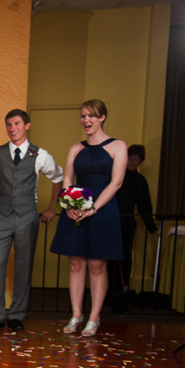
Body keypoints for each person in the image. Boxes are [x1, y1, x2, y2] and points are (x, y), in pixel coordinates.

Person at [0, 109, 64, 333]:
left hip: (27, 216)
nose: (13, 129)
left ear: (27, 126)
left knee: (24, 266)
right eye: (9, 125)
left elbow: (58, 177)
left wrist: (52, 207)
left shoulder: (40, 155)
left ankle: (17, 316)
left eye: (17, 124)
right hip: (0, 216)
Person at [49, 99, 127, 337]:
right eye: (83, 116)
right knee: (75, 264)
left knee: (96, 265)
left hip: (102, 211)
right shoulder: (76, 148)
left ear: (102, 117)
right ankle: (75, 315)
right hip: (75, 210)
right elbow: (67, 180)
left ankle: (93, 318)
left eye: (91, 116)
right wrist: (71, 205)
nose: (86, 120)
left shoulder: (118, 146)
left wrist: (93, 209)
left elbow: (117, 182)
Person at [107, 144, 159, 296]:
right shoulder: (115, 175)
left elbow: (144, 206)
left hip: (128, 223)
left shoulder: (140, 181)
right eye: (129, 158)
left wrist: (152, 227)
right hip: (110, 220)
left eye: (136, 159)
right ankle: (107, 291)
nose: (132, 161)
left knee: (125, 256)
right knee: (108, 257)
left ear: (141, 162)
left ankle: (121, 290)